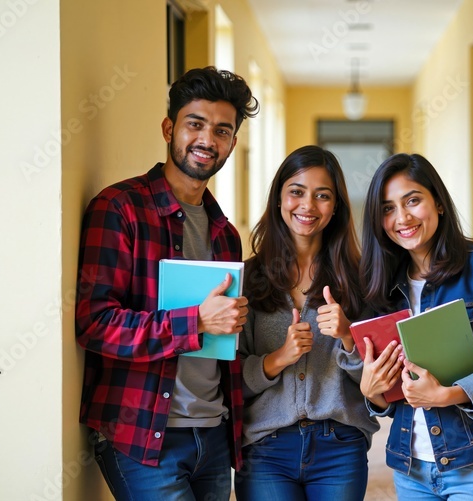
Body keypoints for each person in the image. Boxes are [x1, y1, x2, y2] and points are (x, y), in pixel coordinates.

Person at [75, 66, 258, 500]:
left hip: (212, 434)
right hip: (142, 435)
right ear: (168, 127)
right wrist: (195, 321)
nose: (207, 141)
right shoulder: (120, 208)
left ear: (232, 143)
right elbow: (94, 322)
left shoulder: (225, 233)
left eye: (222, 131)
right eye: (195, 124)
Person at [357, 153, 473, 500]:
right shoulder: (382, 286)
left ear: (439, 203)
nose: (402, 218)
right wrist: (372, 392)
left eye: (412, 201)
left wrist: (452, 394)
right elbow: (390, 390)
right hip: (410, 466)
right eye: (387, 208)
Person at [233, 145, 377, 500]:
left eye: (322, 196)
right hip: (265, 447)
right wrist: (278, 358)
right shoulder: (248, 278)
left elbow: (376, 384)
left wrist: (347, 338)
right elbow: (229, 378)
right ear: (279, 199)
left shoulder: (360, 280)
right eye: (296, 192)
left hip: (340, 446)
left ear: (336, 206)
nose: (308, 206)